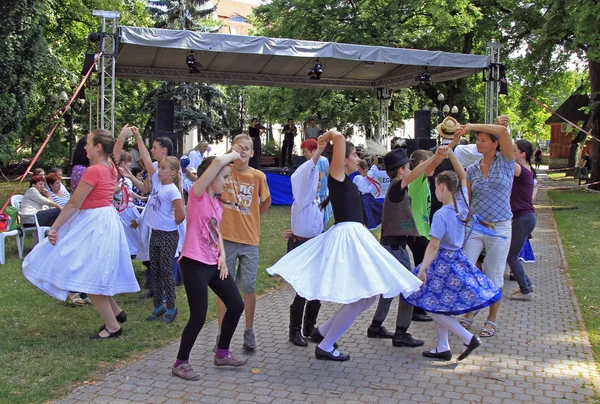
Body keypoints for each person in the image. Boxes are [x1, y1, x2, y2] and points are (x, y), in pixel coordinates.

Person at [267, 131, 422, 361]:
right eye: (354, 155)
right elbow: (339, 138)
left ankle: (322, 332)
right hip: (348, 238)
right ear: (343, 159)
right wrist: (328, 136)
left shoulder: (347, 182)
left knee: (367, 296)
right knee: (361, 296)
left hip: (354, 236)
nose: (359, 159)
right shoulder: (336, 176)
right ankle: (326, 344)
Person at [22, 129, 140, 339]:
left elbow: (75, 203)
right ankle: (116, 312)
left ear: (97, 147)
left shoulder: (94, 171)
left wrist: (55, 227)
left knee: (88, 274)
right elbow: (115, 152)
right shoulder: (110, 166)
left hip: (95, 222)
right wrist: (121, 137)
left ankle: (113, 327)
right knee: (92, 270)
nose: (84, 147)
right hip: (105, 220)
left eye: (87, 143)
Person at [404, 147, 502, 361]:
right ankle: (443, 347)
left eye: (436, 187)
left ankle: (467, 337)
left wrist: (422, 269)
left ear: (441, 187)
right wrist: (451, 155)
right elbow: (464, 176)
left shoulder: (441, 214)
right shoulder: (462, 206)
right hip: (458, 259)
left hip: (443, 263)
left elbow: (433, 246)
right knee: (437, 304)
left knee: (427, 303)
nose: (435, 192)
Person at [172, 149, 248, 381]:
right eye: (224, 177)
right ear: (211, 176)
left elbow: (217, 233)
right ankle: (180, 362)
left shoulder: (217, 204)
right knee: (199, 315)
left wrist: (222, 256)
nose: (227, 181)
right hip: (194, 264)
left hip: (214, 264)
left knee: (236, 305)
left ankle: (222, 353)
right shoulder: (197, 195)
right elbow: (216, 162)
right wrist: (235, 154)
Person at [366, 148, 442, 348]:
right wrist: (434, 158)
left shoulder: (397, 188)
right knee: (411, 286)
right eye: (409, 167)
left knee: (391, 288)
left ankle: (376, 326)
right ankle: (401, 332)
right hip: (394, 247)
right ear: (401, 171)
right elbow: (419, 173)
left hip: (393, 245)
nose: (411, 170)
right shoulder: (396, 187)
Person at [454, 117, 514, 339]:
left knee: (493, 274)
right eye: (477, 140)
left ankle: (492, 319)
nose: (479, 143)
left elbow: (502, 130)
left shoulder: (506, 162)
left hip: (499, 227)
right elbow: (468, 200)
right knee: (468, 271)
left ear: (495, 143)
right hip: (477, 226)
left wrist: (471, 126)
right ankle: (470, 310)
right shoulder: (472, 170)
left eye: (483, 140)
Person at [218, 134, 271, 350]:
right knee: (223, 288)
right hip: (226, 239)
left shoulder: (257, 176)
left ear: (252, 153)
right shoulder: (224, 171)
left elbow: (266, 200)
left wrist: (252, 215)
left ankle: (249, 331)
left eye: (246, 148)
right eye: (237, 148)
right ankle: (222, 334)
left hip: (249, 240)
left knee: (248, 287)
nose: (242, 152)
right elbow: (212, 167)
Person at [128, 128, 186, 324]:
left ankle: (171, 306)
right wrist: (137, 137)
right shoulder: (158, 182)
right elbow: (145, 159)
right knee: (156, 270)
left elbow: (180, 214)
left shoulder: (171, 190)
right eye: (158, 168)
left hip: (168, 235)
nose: (158, 170)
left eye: (162, 168)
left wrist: (168, 224)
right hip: (156, 233)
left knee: (167, 272)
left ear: (172, 172)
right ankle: (158, 304)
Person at [285, 138, 326, 347]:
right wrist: (319, 150)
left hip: (314, 244)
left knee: (316, 289)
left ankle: (310, 326)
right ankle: (294, 330)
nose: (317, 181)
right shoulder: (302, 199)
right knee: (303, 289)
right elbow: (306, 172)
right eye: (315, 179)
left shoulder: (315, 202)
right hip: (303, 245)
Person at [506, 140, 537, 301]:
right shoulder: (527, 170)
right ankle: (528, 284)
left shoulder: (522, 170)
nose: (512, 153)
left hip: (523, 218)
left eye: (514, 150)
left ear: (522, 154)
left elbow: (506, 160)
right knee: (513, 255)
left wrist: (501, 134)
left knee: (511, 257)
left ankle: (525, 291)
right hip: (524, 218)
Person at [114, 152, 141, 257]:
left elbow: (130, 193)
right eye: (129, 163)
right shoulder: (120, 178)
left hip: (129, 205)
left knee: (134, 227)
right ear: (123, 163)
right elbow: (116, 191)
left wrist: (141, 198)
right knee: (128, 228)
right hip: (124, 207)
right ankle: (130, 249)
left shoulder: (126, 178)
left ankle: (134, 248)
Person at [353, 160, 383, 230]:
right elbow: (373, 170)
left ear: (359, 167)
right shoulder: (368, 176)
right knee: (370, 213)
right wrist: (375, 164)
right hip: (369, 198)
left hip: (362, 198)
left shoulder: (357, 178)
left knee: (365, 214)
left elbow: (354, 188)